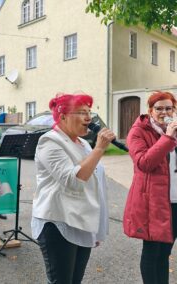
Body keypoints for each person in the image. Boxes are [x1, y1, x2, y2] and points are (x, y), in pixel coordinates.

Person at [31, 93, 115, 284]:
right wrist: (99, 149)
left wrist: (96, 228)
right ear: (62, 117)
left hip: (82, 222)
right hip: (58, 222)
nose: (88, 118)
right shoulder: (49, 142)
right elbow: (75, 180)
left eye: (89, 112)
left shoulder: (83, 143)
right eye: (81, 112)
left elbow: (96, 182)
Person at [123, 91, 177, 284]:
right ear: (150, 111)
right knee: (152, 252)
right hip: (153, 201)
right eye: (159, 108)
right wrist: (168, 137)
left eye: (168, 108)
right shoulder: (139, 131)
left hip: (174, 201)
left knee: (165, 253)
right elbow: (144, 163)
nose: (164, 112)